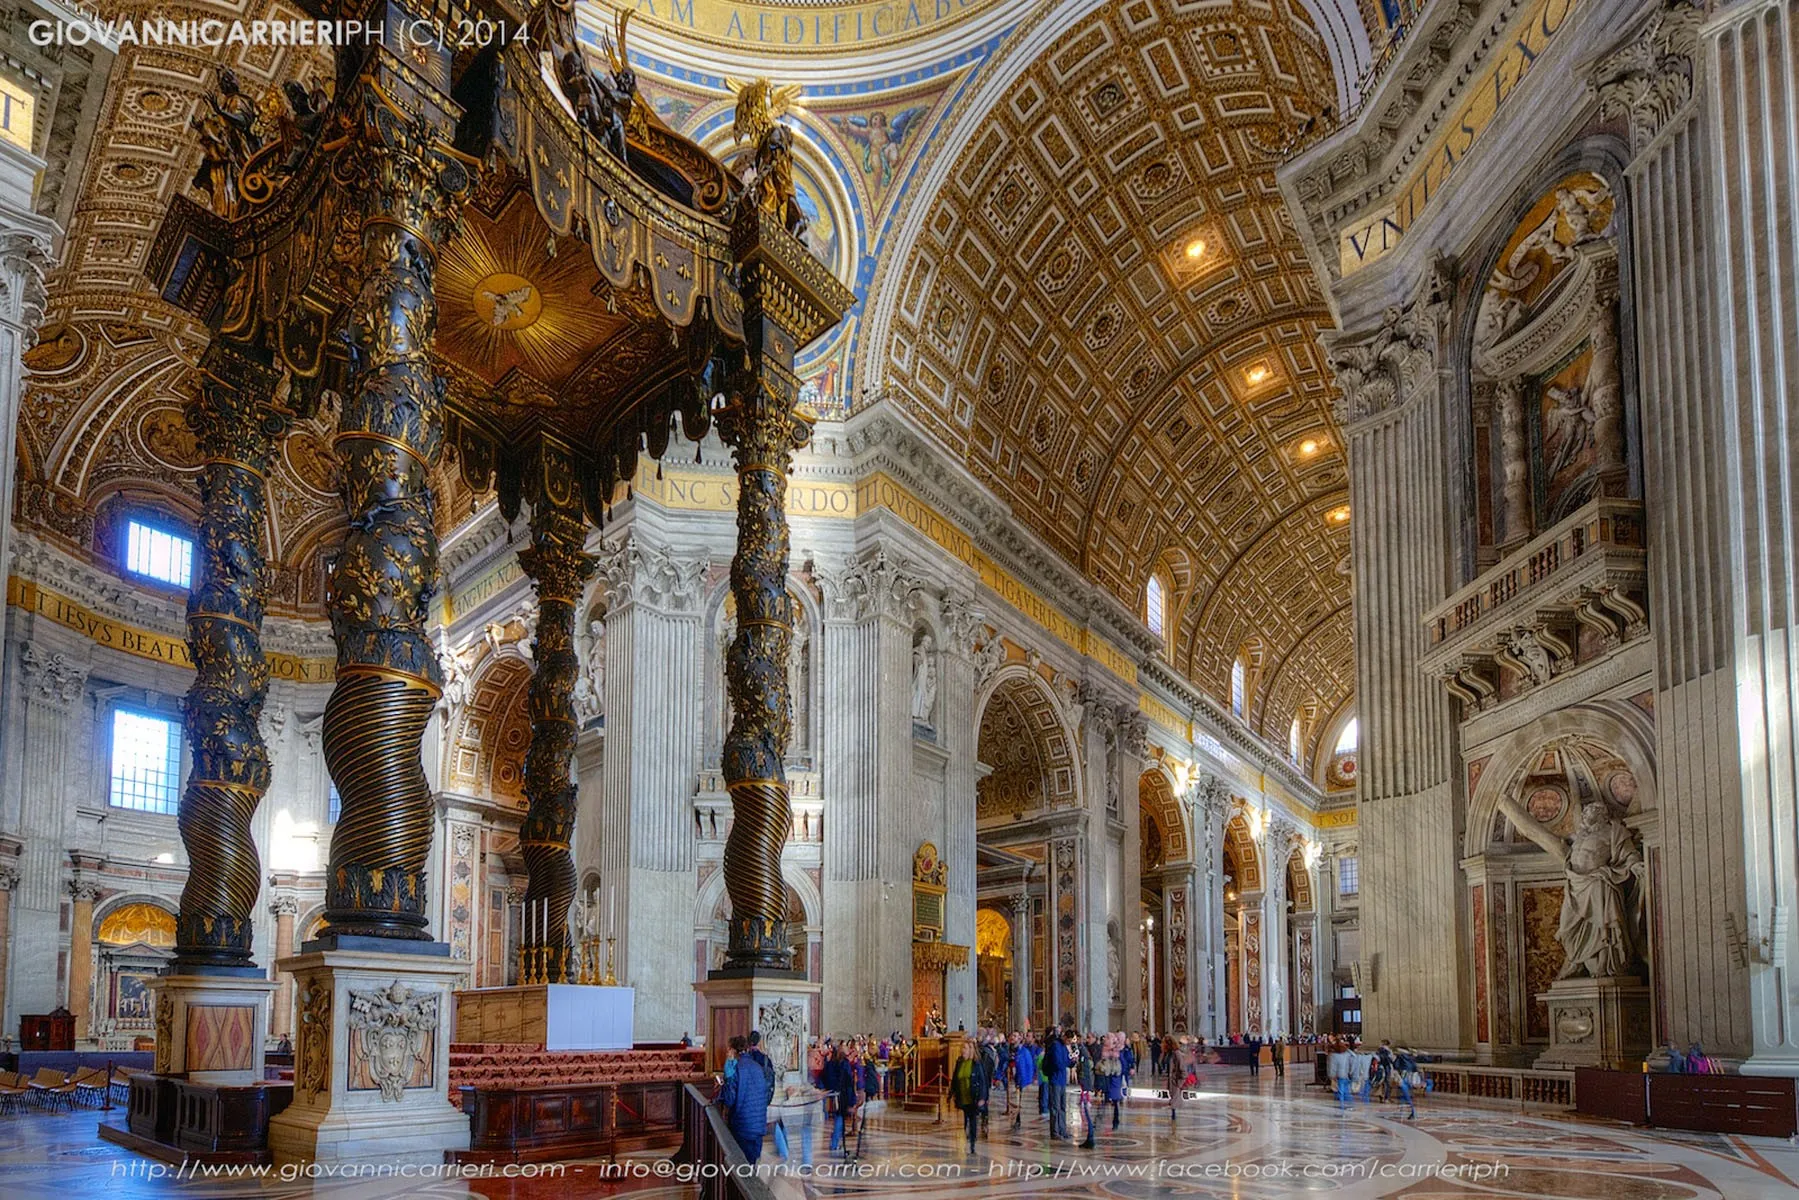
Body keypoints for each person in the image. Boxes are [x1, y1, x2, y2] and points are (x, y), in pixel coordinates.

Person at [719, 1029, 775, 1163]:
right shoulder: (757, 1067)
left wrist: (726, 1081)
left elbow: (729, 1099)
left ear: (733, 1051)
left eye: (728, 1050)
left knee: (740, 1169)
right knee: (752, 1165)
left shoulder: (735, 1069)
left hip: (742, 1126)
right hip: (759, 1125)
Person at [950, 1040, 989, 1155]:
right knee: (966, 1120)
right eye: (962, 1048)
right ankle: (969, 1138)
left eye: (965, 1048)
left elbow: (983, 1081)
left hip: (974, 1096)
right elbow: (955, 1078)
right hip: (963, 1096)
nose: (963, 1050)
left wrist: (983, 1097)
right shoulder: (960, 1062)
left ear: (971, 1050)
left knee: (972, 1120)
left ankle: (972, 1144)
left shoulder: (976, 1063)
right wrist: (951, 1093)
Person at [1044, 1028, 1072, 1141]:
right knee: (1055, 1107)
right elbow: (1057, 1063)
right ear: (1064, 1037)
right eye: (1069, 1040)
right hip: (1055, 1079)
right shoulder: (1055, 1045)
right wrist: (1066, 1063)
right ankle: (1055, 1132)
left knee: (1063, 1106)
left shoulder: (1064, 1047)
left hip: (1062, 1080)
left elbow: (1066, 1061)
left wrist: (1072, 1061)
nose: (1069, 1043)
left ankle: (1063, 1130)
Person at [1011, 1033, 1037, 1129]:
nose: (1012, 1038)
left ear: (1020, 1038)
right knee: (1015, 1103)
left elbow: (1027, 1067)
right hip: (1015, 1080)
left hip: (1022, 1081)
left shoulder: (1024, 1052)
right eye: (1012, 1036)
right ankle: (1016, 1120)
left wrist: (1025, 1081)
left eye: (1015, 1036)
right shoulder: (1012, 1050)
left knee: (1019, 1102)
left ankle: (1019, 1121)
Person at [1392, 1046, 1420, 1120]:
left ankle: (1408, 1112)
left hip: (1403, 1077)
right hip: (1410, 1078)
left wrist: (1398, 1078)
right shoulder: (1411, 1058)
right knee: (1407, 1095)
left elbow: (1396, 1068)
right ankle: (1409, 1112)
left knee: (1403, 1095)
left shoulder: (1400, 1057)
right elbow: (1415, 1069)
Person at [1327, 1040, 1353, 1112]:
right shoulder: (1347, 1055)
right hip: (1346, 1075)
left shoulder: (1333, 1056)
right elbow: (1353, 1061)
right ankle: (1349, 1105)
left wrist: (1331, 1076)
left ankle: (1340, 1106)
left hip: (1338, 1076)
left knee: (1339, 1092)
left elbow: (1332, 1067)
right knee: (1346, 1091)